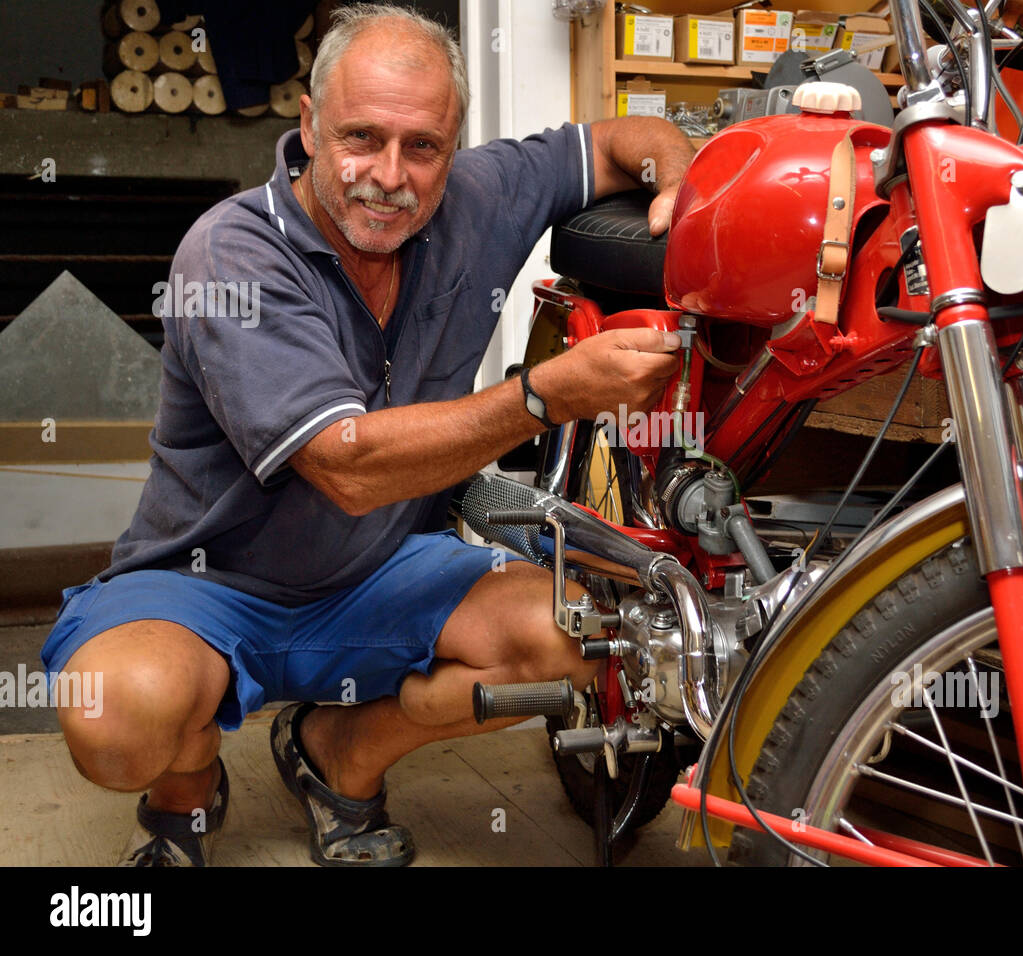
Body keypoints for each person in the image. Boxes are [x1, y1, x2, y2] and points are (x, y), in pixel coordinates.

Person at [40, 2, 695, 867]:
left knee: (577, 638)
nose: (389, 176)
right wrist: (544, 398)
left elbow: (621, 139)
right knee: (116, 718)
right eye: (361, 137)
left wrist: (684, 180)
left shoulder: (476, 194)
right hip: (207, 586)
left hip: (385, 569)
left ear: (452, 145)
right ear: (309, 125)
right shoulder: (231, 254)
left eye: (422, 146)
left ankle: (339, 760)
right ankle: (186, 788)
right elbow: (348, 469)